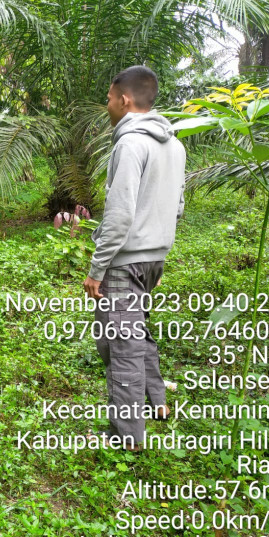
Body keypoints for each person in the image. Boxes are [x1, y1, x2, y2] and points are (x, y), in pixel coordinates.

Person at [83, 66, 185, 451]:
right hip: (153, 259)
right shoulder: (175, 146)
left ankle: (126, 437)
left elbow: (120, 214)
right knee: (135, 332)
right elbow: (177, 206)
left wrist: (98, 268)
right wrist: (157, 254)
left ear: (124, 100)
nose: (107, 105)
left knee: (119, 344)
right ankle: (156, 402)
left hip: (124, 263)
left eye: (109, 98)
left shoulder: (129, 145)